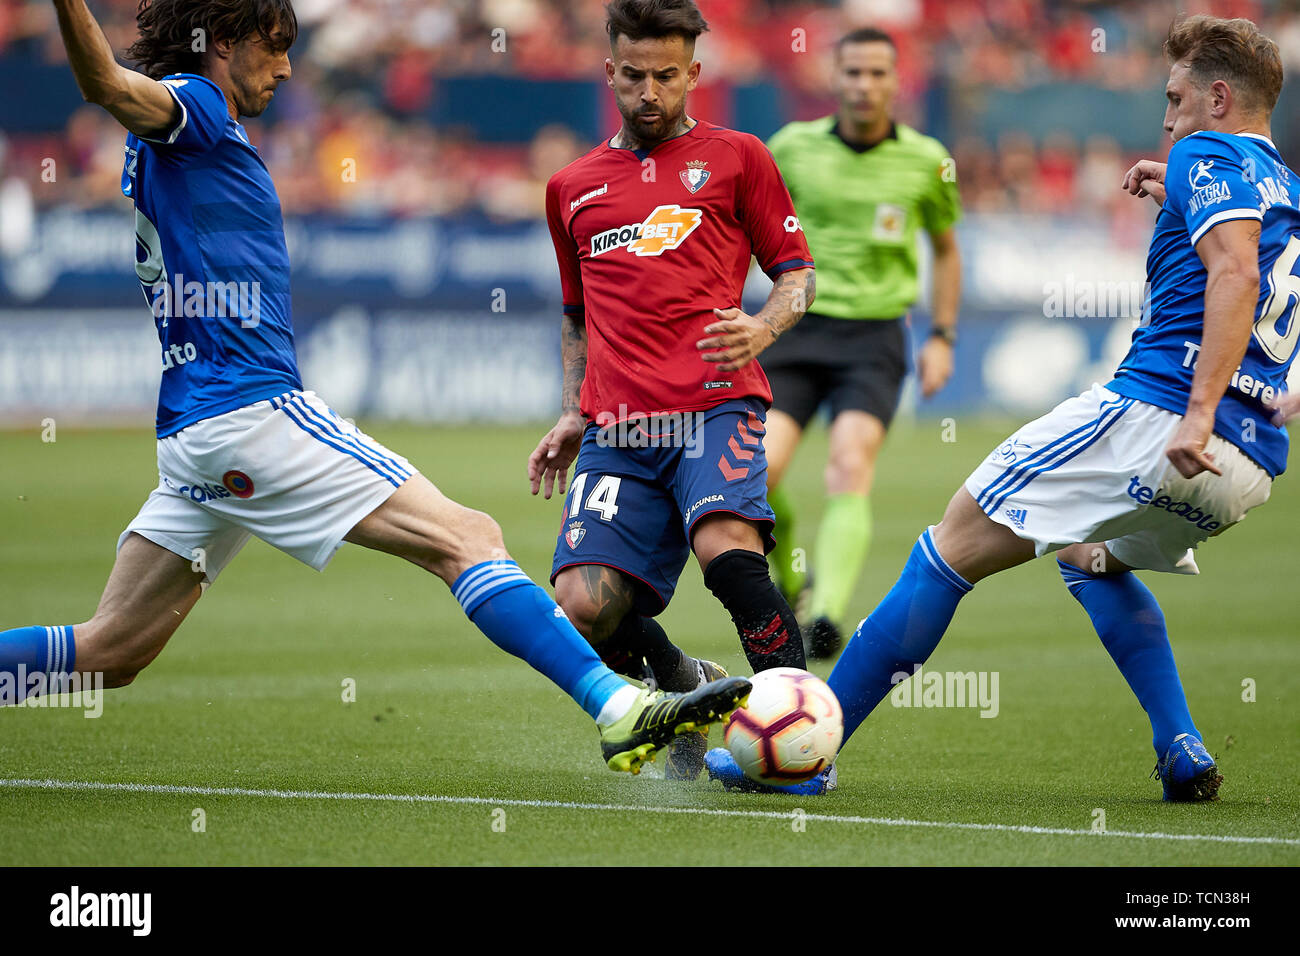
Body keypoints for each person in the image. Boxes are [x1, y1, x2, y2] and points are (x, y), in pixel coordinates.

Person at [0, 0, 752, 775]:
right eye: (275, 47)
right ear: (222, 42)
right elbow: (104, 82)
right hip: (251, 411)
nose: (288, 66)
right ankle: (620, 707)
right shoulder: (195, 107)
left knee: (112, 648)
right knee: (468, 538)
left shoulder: (178, 140)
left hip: (194, 436)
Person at [710, 13, 1297, 799]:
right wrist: (1273, 398)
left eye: (1176, 96)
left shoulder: (1203, 151)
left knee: (947, 545)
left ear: (1218, 97)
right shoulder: (1282, 187)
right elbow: (1257, 279)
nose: (1166, 117)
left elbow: (1236, 278)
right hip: (1249, 463)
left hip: (1163, 421)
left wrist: (1196, 412)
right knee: (1091, 562)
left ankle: (807, 755)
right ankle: (1180, 743)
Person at [528, 0, 815, 780]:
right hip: (619, 426)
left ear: (694, 71)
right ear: (608, 71)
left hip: (718, 402)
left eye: (665, 75)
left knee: (727, 551)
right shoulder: (571, 188)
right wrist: (571, 411)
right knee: (582, 608)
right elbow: (575, 315)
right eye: (632, 75)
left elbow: (799, 275)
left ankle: (803, 741)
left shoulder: (738, 157)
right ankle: (686, 684)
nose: (648, 92)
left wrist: (763, 327)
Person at [761, 27, 963, 660]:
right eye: (853, 73)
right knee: (756, 473)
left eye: (877, 73)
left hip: (875, 335)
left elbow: (946, 249)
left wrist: (943, 337)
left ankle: (824, 617)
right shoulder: (790, 148)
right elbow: (745, 226)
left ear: (896, 80)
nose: (865, 85)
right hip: (794, 325)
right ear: (834, 77)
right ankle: (794, 582)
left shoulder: (929, 160)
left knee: (849, 464)